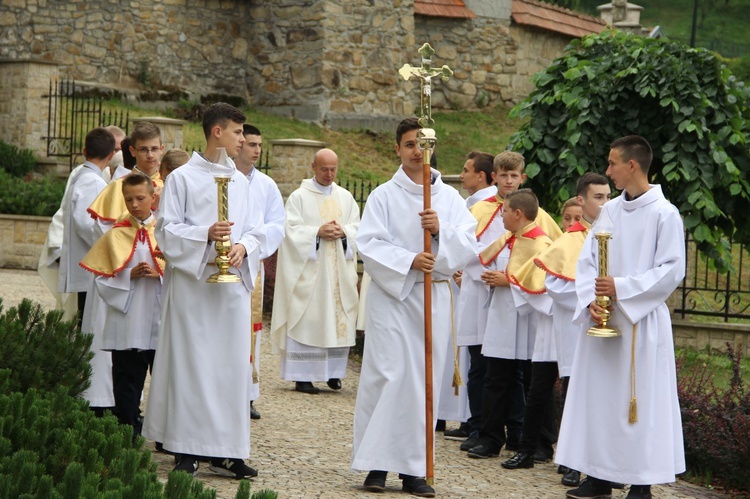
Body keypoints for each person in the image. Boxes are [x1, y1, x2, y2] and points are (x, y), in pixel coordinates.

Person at [351, 117, 478, 498]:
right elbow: (368, 244)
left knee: (423, 383)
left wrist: (440, 233)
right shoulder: (383, 196)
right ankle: (377, 463)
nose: (416, 153)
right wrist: (408, 260)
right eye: (409, 145)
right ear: (397, 148)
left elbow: (469, 246)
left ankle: (415, 470)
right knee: (389, 376)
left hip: (434, 298)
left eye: (422, 146)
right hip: (394, 299)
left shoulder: (450, 200)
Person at [557, 136, 686, 499]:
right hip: (604, 320)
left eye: (613, 163)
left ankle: (641, 482)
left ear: (632, 165)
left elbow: (672, 270)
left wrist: (622, 287)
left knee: (639, 402)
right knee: (600, 400)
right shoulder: (611, 211)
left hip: (639, 322)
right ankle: (599, 476)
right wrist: (589, 301)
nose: (608, 170)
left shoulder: (665, 214)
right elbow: (586, 261)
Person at [142, 102, 265, 479]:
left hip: (230, 291)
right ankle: (188, 449)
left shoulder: (242, 182)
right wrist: (205, 235)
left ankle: (228, 451)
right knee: (193, 367)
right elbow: (166, 230)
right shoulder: (182, 178)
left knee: (229, 369)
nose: (243, 139)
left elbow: (257, 229)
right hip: (194, 287)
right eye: (238, 132)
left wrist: (245, 246)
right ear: (217, 132)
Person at [500, 174, 610, 478]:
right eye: (598, 197)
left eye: (607, 197)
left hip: (590, 327)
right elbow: (552, 284)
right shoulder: (568, 240)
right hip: (560, 324)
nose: (604, 203)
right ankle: (528, 449)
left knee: (577, 394)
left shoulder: (609, 236)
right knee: (538, 391)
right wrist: (585, 300)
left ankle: (575, 461)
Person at [455, 151, 562, 454]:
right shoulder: (481, 210)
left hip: (526, 309)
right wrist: (479, 273)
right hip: (489, 300)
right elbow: (474, 251)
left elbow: (550, 260)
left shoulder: (535, 218)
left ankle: (530, 438)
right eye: (504, 176)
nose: (509, 181)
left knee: (529, 377)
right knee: (489, 370)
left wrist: (510, 280)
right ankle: (484, 431)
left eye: (514, 176)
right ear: (495, 178)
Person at [79, 173, 164, 442]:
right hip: (129, 318)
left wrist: (160, 273)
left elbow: (184, 272)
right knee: (127, 377)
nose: (135, 204)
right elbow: (102, 279)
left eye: (140, 198)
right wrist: (129, 275)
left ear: (153, 197)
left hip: (161, 316)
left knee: (164, 379)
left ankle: (165, 434)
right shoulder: (116, 233)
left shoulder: (165, 231)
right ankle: (127, 430)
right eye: (129, 199)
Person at [270, 147, 359, 394]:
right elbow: (289, 231)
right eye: (324, 169)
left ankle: (333, 373)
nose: (329, 174)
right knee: (310, 317)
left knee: (336, 318)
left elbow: (357, 227)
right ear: (313, 167)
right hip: (311, 274)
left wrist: (344, 233)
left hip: (338, 272)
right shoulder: (299, 197)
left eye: (333, 169)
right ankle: (303, 376)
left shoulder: (346, 197)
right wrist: (316, 232)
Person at [56, 127, 116, 413]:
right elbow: (86, 223)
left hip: (85, 264)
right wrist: (111, 245)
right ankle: (88, 393)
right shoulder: (92, 181)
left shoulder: (83, 176)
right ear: (113, 154)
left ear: (84, 150)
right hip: (90, 266)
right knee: (89, 330)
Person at [442, 151, 497, 440]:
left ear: (483, 176)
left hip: (479, 289)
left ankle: (473, 422)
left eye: (466, 170)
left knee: (478, 362)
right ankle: (466, 417)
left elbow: (489, 249)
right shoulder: (471, 205)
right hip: (463, 286)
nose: (461, 175)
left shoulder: (489, 207)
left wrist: (463, 267)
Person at [235, 124, 285, 418]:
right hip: (223, 261)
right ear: (238, 144)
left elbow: (276, 224)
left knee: (251, 331)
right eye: (251, 144)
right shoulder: (224, 178)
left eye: (259, 145)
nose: (256, 150)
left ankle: (248, 394)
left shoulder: (266, 185)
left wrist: (250, 246)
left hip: (251, 265)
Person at [88, 122, 165, 229]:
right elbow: (103, 231)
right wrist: (150, 207)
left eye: (154, 149)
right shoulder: (117, 186)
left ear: (161, 149)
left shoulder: (170, 186)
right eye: (143, 149)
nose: (150, 155)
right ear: (132, 151)